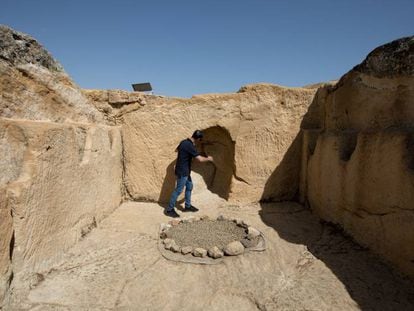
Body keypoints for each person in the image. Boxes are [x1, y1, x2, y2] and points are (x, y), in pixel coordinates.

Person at [165, 130, 213, 218]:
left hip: (184, 170)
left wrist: (185, 154)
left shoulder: (183, 142)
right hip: (183, 171)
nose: (199, 142)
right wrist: (209, 159)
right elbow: (200, 159)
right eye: (200, 140)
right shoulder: (190, 146)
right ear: (198, 139)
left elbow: (176, 150)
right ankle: (169, 209)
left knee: (189, 186)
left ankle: (187, 206)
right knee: (178, 190)